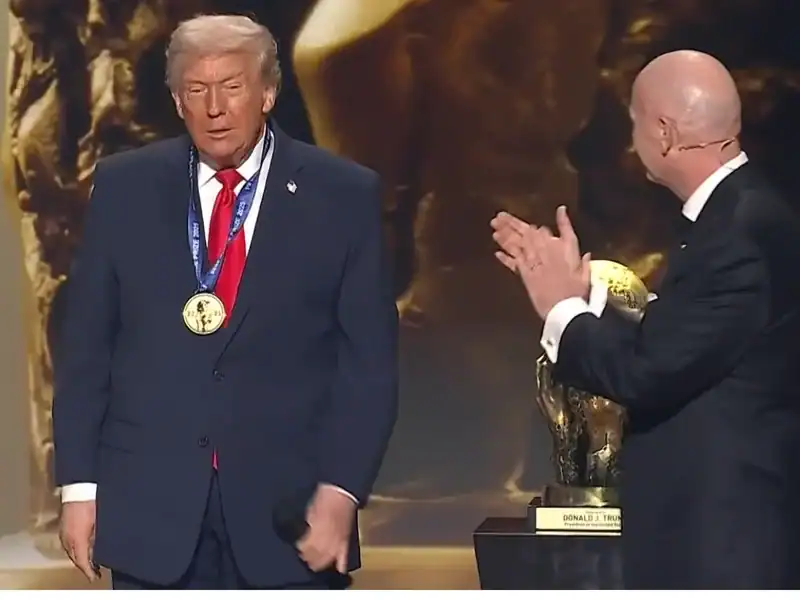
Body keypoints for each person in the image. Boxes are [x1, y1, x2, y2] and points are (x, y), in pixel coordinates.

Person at [52, 14, 398, 590]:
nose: (215, 108)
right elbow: (86, 350)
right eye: (197, 89)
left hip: (289, 517)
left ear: (267, 93)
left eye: (232, 87)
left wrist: (342, 491)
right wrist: (79, 489)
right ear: (177, 101)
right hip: (150, 514)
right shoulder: (124, 188)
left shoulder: (341, 195)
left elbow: (369, 365)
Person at [491, 50, 800, 589]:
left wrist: (560, 308)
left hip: (721, 550)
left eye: (633, 122)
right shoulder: (736, 216)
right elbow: (679, 345)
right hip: (710, 540)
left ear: (664, 132)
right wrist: (587, 297)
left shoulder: (737, 232)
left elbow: (647, 373)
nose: (631, 140)